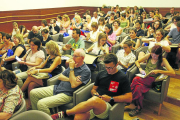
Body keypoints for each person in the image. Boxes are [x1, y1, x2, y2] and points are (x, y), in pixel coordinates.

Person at [51, 53, 132, 120]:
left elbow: (129, 98)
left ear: (117, 64)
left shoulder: (122, 77)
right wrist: (94, 93)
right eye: (106, 67)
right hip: (95, 102)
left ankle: (65, 113)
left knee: (94, 100)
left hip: (109, 106)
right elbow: (93, 89)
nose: (108, 70)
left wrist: (111, 98)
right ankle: (69, 112)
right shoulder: (101, 74)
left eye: (110, 68)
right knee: (78, 117)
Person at [30, 49, 91, 115]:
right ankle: (38, 115)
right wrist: (72, 79)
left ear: (82, 58)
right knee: (33, 93)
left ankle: (48, 117)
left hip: (67, 94)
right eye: (73, 55)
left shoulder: (85, 71)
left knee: (41, 104)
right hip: (58, 88)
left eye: (76, 56)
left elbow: (73, 85)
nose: (73, 58)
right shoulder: (73, 64)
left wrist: (71, 69)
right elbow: (60, 77)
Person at [129, 45, 175, 117]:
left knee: (135, 79)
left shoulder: (163, 60)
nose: (153, 56)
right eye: (152, 54)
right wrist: (140, 69)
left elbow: (173, 72)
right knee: (138, 88)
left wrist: (159, 71)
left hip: (152, 80)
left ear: (159, 54)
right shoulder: (149, 56)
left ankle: (129, 100)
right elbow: (137, 61)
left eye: (155, 55)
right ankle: (138, 108)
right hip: (143, 78)